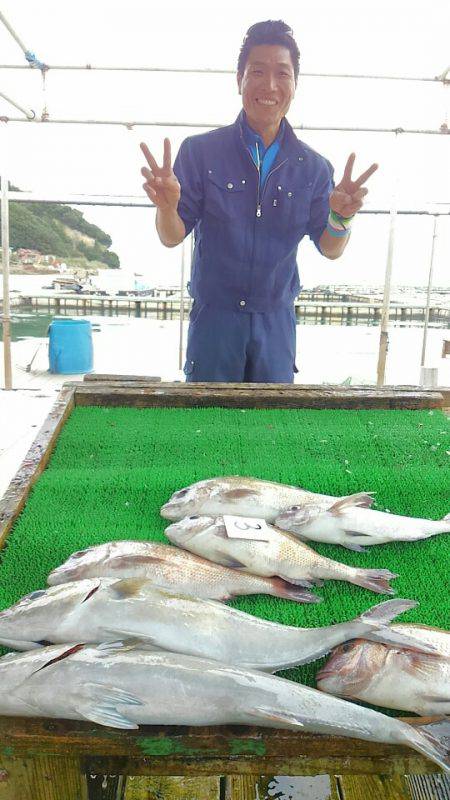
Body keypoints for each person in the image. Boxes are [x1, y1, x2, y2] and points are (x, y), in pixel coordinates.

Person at [140, 20, 378, 383]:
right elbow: (171, 236)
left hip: (276, 323)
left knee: (273, 417)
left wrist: (341, 218)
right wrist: (166, 208)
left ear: (295, 84)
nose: (270, 85)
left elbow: (331, 248)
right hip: (215, 322)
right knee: (207, 417)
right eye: (257, 72)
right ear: (239, 80)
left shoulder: (313, 167)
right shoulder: (200, 152)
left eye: (282, 73)